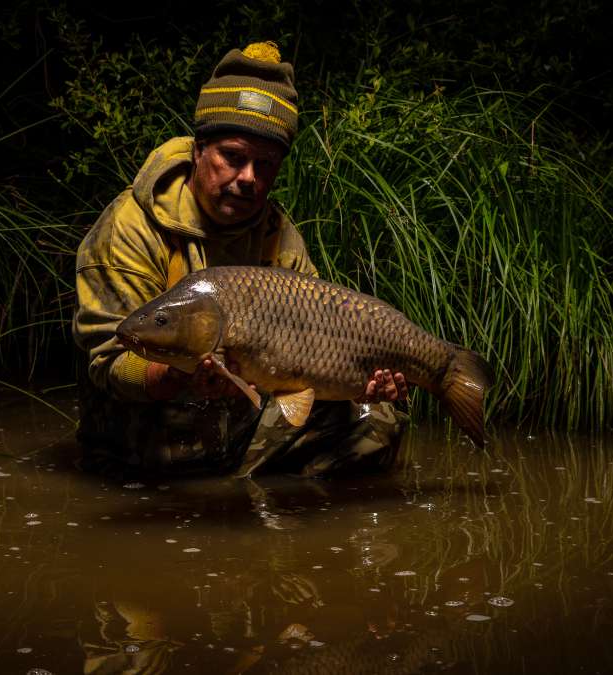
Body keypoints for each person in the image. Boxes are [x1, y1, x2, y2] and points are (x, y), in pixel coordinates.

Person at [72, 41, 409, 478]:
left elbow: (313, 364)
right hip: (140, 444)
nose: (248, 178)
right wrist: (176, 376)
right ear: (198, 150)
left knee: (375, 421)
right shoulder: (130, 228)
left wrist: (361, 383)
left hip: (239, 429)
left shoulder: (279, 236)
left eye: (265, 165)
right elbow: (109, 360)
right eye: (232, 157)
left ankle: (254, 499)